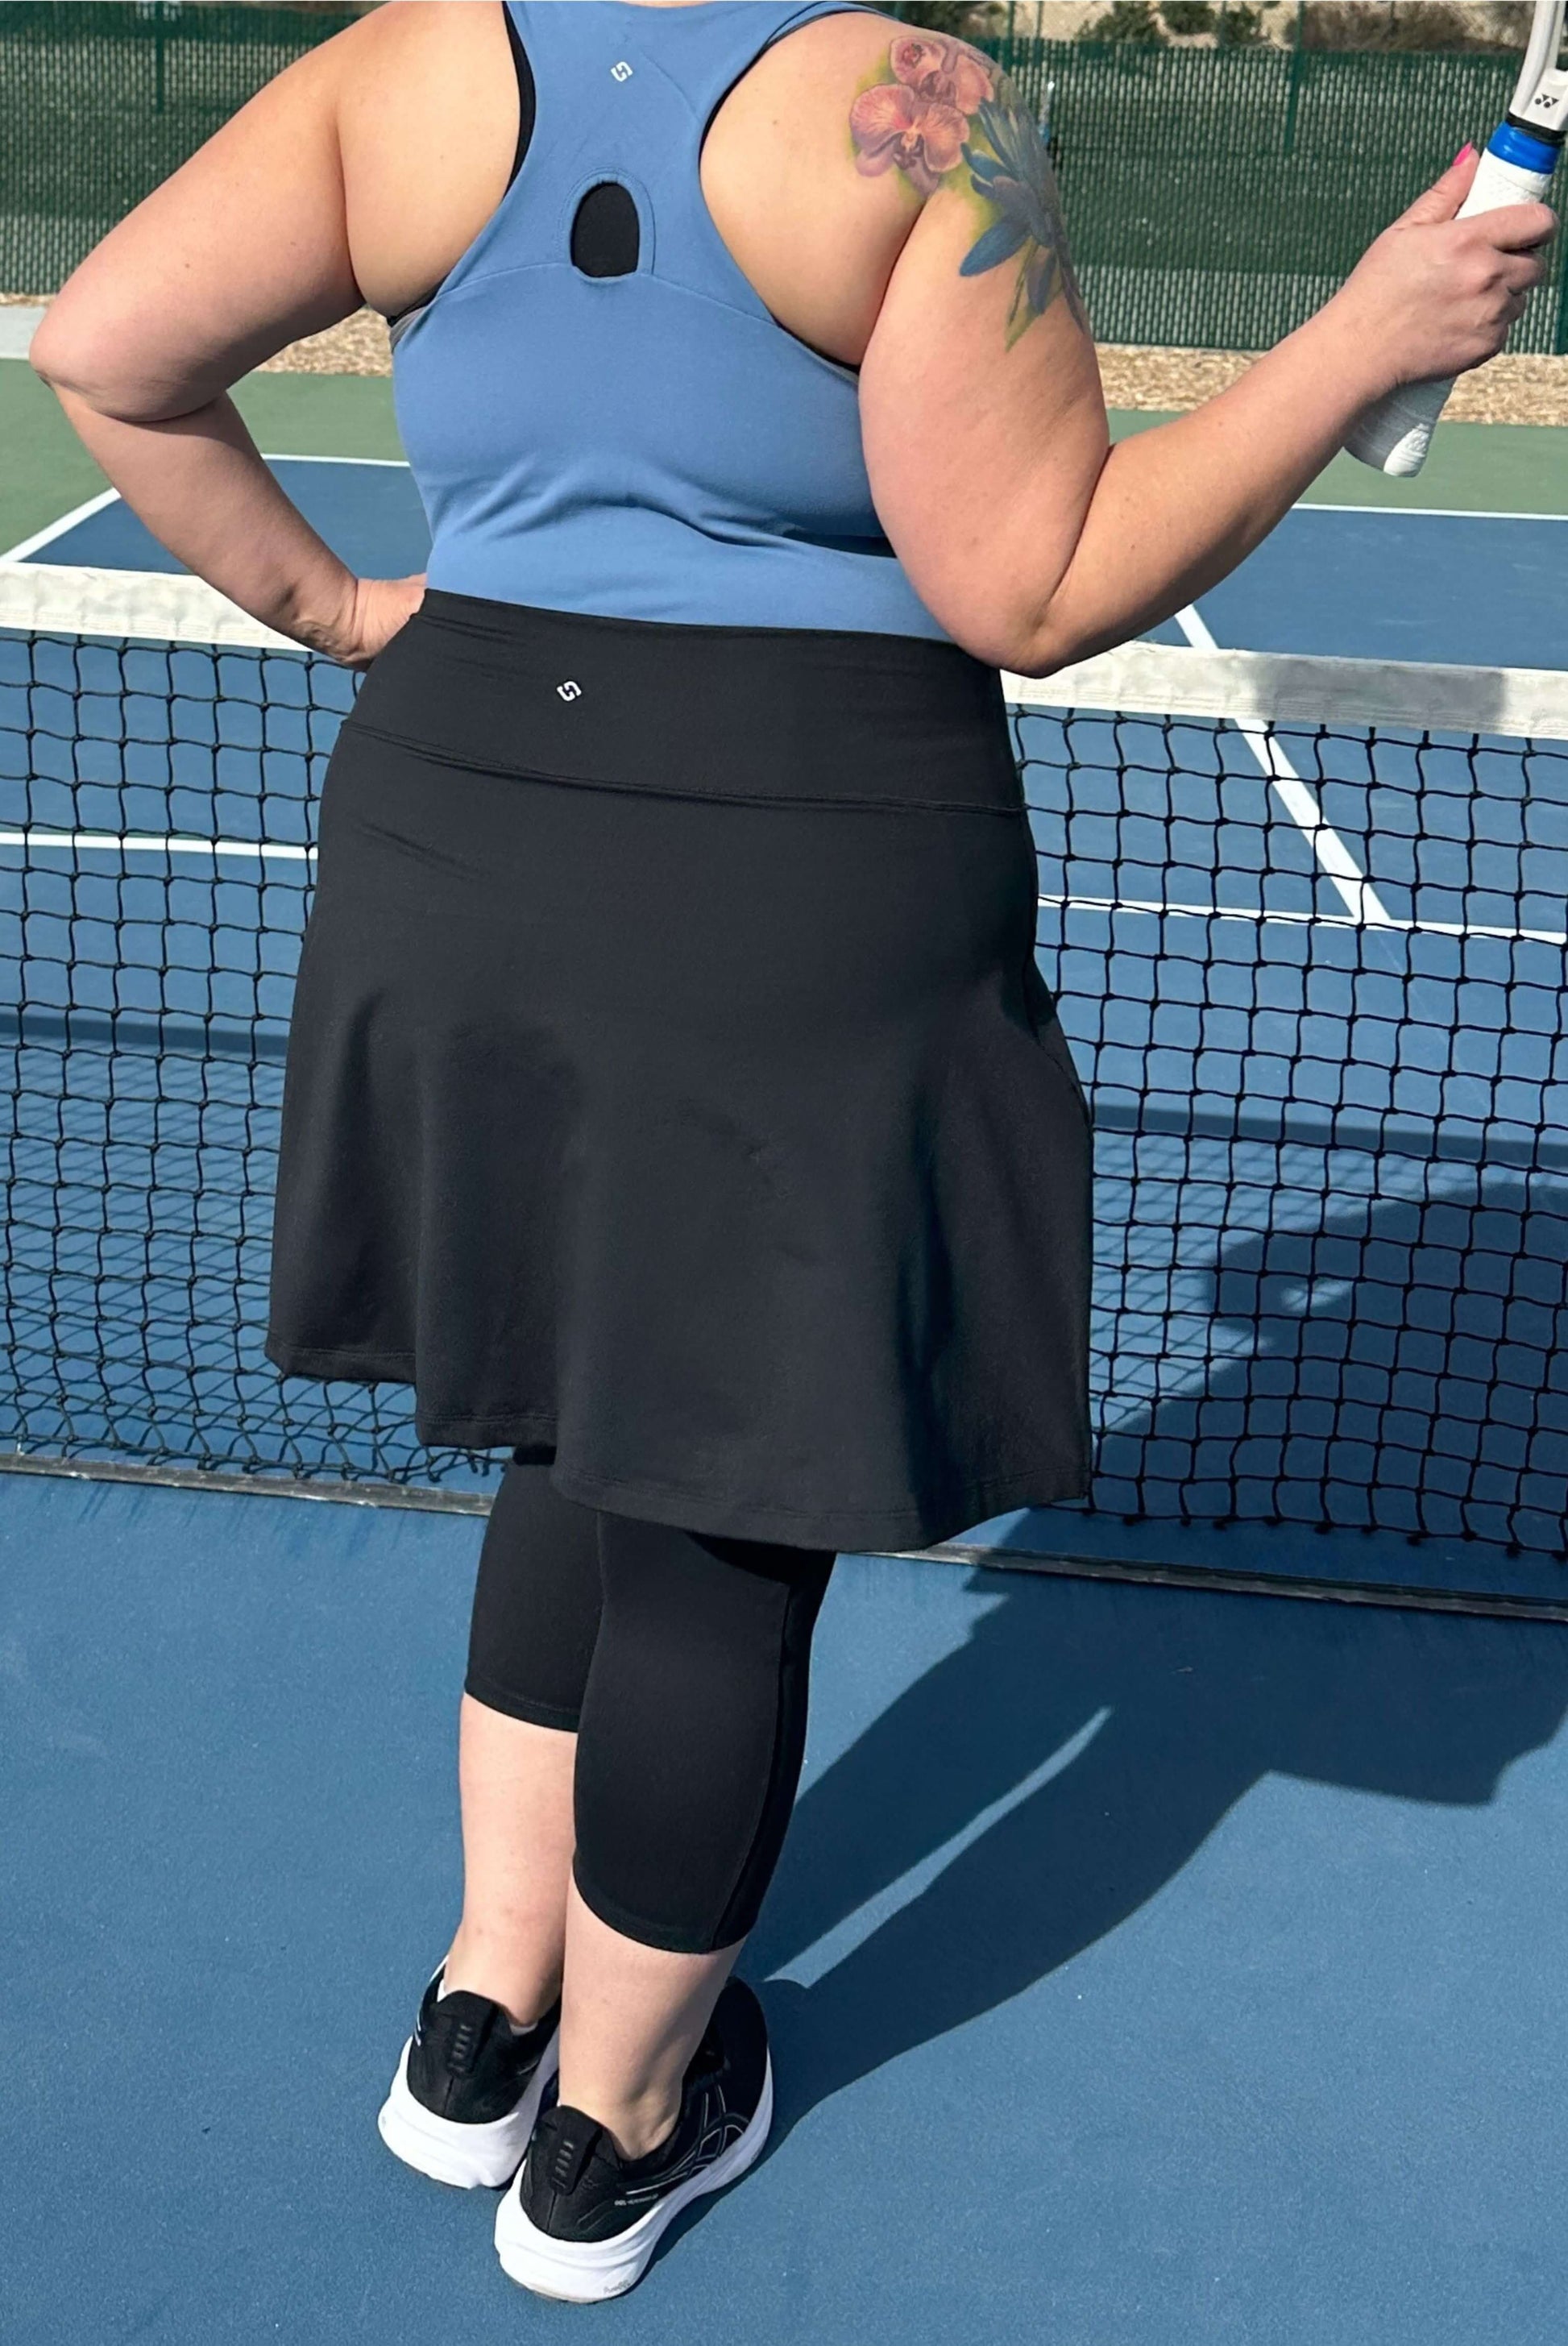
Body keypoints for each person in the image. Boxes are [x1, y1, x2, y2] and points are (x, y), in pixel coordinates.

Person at [31, 0, 1550, 2303]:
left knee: (566, 1430)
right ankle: (614, 2134)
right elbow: (1035, 585)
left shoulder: (404, 60)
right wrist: (1364, 333)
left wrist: (340, 610)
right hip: (790, 872)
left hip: (453, 833)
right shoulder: (917, 107)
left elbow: (109, 350)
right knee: (722, 1522)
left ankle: (481, 2021)